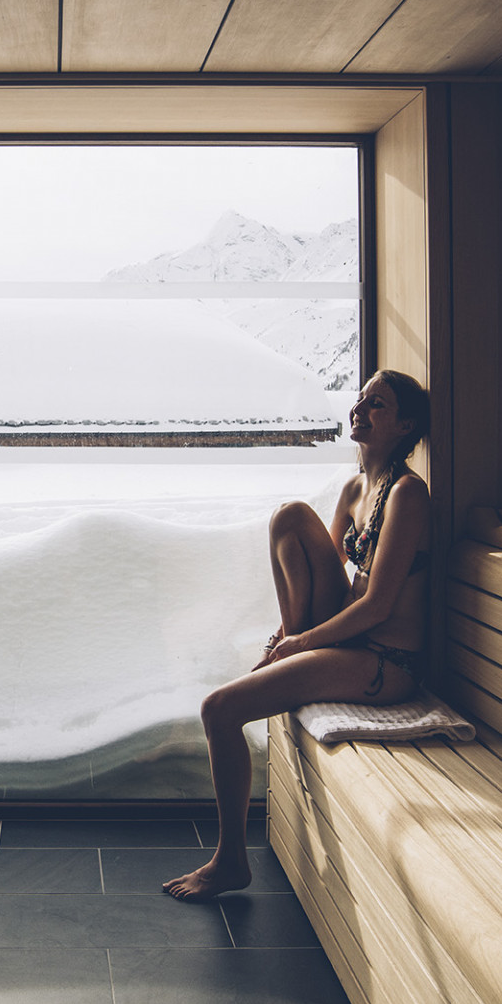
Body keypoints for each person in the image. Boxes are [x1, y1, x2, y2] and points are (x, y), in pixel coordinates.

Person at [164, 370, 431, 901]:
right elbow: (322, 566)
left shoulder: (408, 495)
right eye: (359, 399)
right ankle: (288, 652)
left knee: (220, 708)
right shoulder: (357, 488)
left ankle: (230, 862)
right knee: (289, 517)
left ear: (404, 425)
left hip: (386, 660)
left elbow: (378, 605)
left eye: (376, 404)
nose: (359, 409)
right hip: (347, 642)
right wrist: (286, 634)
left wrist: (303, 646)